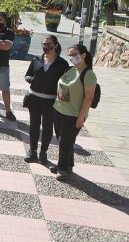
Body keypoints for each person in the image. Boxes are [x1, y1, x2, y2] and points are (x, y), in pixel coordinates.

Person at [50, 44, 97, 181]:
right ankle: (68, 164)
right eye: (70, 55)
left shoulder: (88, 74)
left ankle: (63, 169)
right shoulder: (70, 70)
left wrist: (81, 117)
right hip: (59, 110)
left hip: (73, 114)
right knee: (63, 140)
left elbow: (89, 97)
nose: (72, 57)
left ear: (83, 55)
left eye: (75, 54)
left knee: (65, 141)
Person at [23, 35, 69, 164]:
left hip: (50, 100)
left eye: (49, 44)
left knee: (48, 127)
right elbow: (28, 74)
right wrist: (30, 79)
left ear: (56, 46)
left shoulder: (62, 64)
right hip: (34, 98)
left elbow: (65, 82)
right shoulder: (36, 59)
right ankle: (32, 151)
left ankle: (43, 152)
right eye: (44, 44)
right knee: (34, 125)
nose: (46, 46)